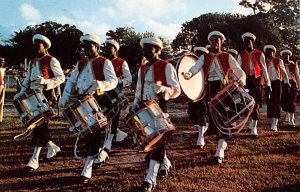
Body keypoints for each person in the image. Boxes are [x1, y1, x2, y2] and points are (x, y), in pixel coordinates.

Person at [59, 34, 118, 183]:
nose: (86, 49)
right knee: (85, 133)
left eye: (89, 46)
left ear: (97, 47)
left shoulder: (104, 62)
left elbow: (113, 81)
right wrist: (65, 95)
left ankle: (88, 166)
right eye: (84, 46)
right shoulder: (80, 63)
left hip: (95, 99)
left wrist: (102, 85)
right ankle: (95, 154)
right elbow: (71, 81)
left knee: (94, 132)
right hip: (80, 99)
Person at [183, 31, 246, 164]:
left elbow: (239, 71)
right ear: (209, 42)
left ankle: (219, 150)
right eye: (212, 40)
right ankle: (212, 140)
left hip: (222, 89)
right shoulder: (204, 57)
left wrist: (241, 80)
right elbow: (195, 67)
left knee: (223, 117)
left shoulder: (227, 56)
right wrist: (189, 74)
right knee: (207, 115)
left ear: (221, 42)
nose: (215, 42)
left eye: (217, 40)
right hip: (207, 88)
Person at [133, 37, 180, 191]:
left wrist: (164, 90)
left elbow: (176, 90)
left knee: (158, 141)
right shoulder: (143, 67)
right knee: (152, 142)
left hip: (159, 107)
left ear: (158, 50)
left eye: (149, 49)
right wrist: (134, 105)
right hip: (143, 108)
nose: (145, 51)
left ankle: (150, 179)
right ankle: (165, 163)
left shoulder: (166, 66)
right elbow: (138, 89)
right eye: (144, 48)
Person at [13, 34, 65, 172]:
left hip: (47, 95)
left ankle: (34, 159)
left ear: (45, 46)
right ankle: (53, 148)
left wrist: (46, 81)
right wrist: (20, 93)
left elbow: (61, 77)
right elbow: (27, 80)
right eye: (34, 45)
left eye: (38, 45)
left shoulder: (52, 60)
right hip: (32, 97)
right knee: (38, 126)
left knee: (40, 126)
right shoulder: (31, 62)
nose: (36, 48)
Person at [92, 39, 132, 168]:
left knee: (113, 118)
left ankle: (107, 145)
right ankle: (118, 135)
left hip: (115, 95)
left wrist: (119, 82)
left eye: (110, 47)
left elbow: (129, 79)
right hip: (101, 94)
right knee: (100, 118)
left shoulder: (122, 62)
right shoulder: (102, 61)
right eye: (106, 47)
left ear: (116, 49)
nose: (107, 49)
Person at [237, 32, 271, 138]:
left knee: (255, 103)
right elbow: (238, 69)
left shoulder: (260, 54)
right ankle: (250, 124)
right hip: (245, 81)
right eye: (245, 41)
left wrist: (268, 83)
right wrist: (237, 82)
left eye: (249, 41)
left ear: (253, 42)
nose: (247, 43)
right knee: (247, 104)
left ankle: (254, 127)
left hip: (256, 80)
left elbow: (264, 69)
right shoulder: (241, 54)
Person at [264, 45, 289, 131]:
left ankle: (275, 124)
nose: (269, 53)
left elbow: (283, 72)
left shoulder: (279, 60)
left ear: (274, 53)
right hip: (267, 83)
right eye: (267, 52)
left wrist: (287, 83)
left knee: (276, 102)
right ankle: (271, 120)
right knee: (268, 101)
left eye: (271, 52)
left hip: (277, 83)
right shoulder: (264, 61)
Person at [187, 46, 209, 148]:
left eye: (200, 54)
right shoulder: (193, 66)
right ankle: (203, 128)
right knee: (191, 111)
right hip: (194, 92)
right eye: (197, 53)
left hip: (205, 91)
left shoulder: (207, 65)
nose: (198, 56)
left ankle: (201, 137)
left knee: (202, 112)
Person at [280, 49, 299, 127]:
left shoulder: (293, 65)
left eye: (287, 56)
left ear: (289, 57)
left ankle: (292, 119)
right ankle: (287, 114)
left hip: (292, 83)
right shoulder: (280, 65)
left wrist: (299, 86)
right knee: (284, 101)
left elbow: (297, 76)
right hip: (283, 84)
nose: (286, 58)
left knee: (292, 101)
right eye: (284, 56)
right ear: (282, 57)